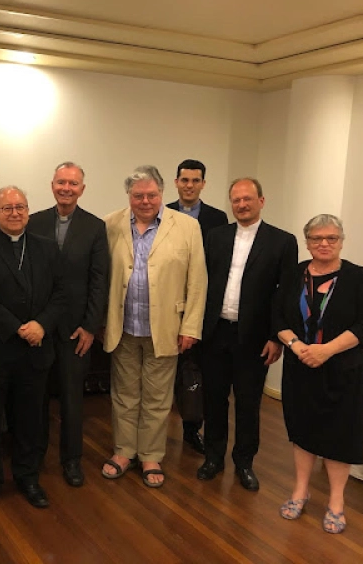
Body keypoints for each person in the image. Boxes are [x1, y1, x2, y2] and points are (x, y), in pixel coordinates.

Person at [101, 165, 206, 489]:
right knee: (124, 395)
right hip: (123, 326)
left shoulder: (187, 226)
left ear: (162, 193)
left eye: (151, 195)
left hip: (166, 327)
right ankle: (124, 451)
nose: (145, 201)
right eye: (138, 196)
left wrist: (190, 326)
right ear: (129, 196)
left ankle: (150, 455)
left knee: (158, 398)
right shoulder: (111, 224)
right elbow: (101, 275)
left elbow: (197, 280)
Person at [0, 186, 66, 512]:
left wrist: (42, 325)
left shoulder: (47, 248)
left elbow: (61, 293)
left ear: (28, 211)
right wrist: (18, 328)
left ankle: (28, 477)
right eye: (7, 208)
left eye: (20, 207)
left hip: (35, 350)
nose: (14, 213)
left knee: (30, 421)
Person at [274, 214, 363, 534]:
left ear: (341, 241)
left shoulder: (359, 277)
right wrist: (296, 346)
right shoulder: (293, 274)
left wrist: (326, 350)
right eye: (316, 238)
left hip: (342, 371)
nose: (324, 243)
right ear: (307, 242)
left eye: (331, 238)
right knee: (302, 430)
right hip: (300, 366)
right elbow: (276, 317)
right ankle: (300, 491)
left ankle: (336, 502)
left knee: (338, 435)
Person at [197, 178, 297, 491]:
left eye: (247, 199)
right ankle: (213, 457)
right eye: (236, 200)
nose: (241, 205)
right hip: (215, 332)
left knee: (248, 403)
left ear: (261, 201)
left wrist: (276, 337)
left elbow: (285, 295)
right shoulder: (216, 236)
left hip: (254, 338)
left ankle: (244, 462)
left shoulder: (282, 242)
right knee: (213, 399)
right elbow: (202, 283)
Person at [28, 162, 109, 487]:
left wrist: (90, 326)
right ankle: (34, 456)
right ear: (52, 185)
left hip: (76, 330)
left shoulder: (95, 227)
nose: (66, 188)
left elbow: (99, 280)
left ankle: (72, 460)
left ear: (82, 189)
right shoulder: (34, 222)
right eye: (61, 182)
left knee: (73, 398)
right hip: (40, 328)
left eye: (73, 184)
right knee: (36, 397)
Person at [166, 159, 228, 454]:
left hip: (201, 304)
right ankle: (157, 431)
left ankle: (192, 429)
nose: (189, 185)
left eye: (195, 180)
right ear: (176, 182)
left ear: (203, 184)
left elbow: (217, 263)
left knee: (195, 372)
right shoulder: (163, 212)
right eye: (184, 180)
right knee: (166, 371)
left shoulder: (217, 218)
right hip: (167, 303)